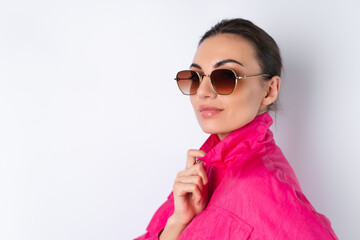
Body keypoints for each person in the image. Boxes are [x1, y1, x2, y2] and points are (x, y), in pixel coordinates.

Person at [134, 18, 338, 239]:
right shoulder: (205, 171)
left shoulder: (265, 190)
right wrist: (177, 223)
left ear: (270, 90)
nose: (202, 92)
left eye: (225, 77)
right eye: (195, 77)